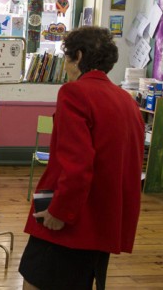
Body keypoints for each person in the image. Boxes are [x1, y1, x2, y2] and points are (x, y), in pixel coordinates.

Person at [18, 26, 145, 289]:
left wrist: (59, 211)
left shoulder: (74, 93)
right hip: (103, 220)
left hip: (73, 220)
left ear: (77, 56)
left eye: (66, 59)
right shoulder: (127, 100)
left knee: (34, 282)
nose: (64, 67)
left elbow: (76, 165)